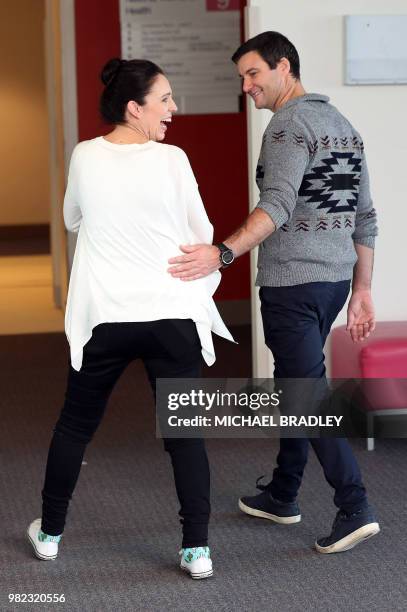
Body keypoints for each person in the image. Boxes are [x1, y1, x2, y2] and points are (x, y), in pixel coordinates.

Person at [168, 31, 380, 553]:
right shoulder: (343, 126)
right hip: (332, 282)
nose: (247, 86)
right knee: (298, 384)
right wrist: (362, 290)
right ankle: (284, 492)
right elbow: (365, 218)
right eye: (242, 77)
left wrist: (222, 253)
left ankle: (353, 505)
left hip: (293, 284)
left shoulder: (287, 127)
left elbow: (278, 206)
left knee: (304, 394)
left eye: (254, 74)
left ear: (284, 67)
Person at [27, 57, 233, 579]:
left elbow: (73, 218)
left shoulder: (85, 156)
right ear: (133, 107)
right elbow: (201, 229)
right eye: (164, 99)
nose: (174, 109)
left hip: (108, 316)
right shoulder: (173, 160)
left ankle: (49, 534)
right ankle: (197, 549)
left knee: (75, 425)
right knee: (185, 434)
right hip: (170, 313)